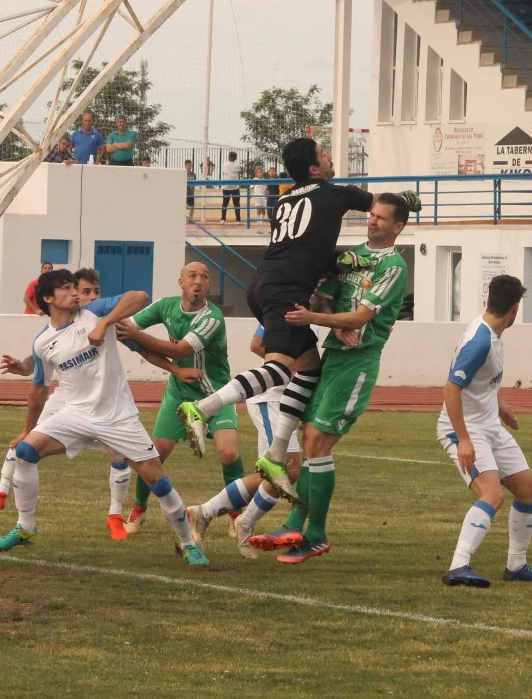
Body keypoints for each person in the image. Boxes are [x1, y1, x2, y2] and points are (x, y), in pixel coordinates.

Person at [176, 137, 419, 502]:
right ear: (314, 168)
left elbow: (310, 249)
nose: (330, 156)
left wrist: (341, 266)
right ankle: (202, 408)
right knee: (280, 368)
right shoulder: (337, 194)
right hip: (285, 289)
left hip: (264, 282)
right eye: (324, 153)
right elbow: (383, 206)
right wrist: (407, 201)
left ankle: (275, 457)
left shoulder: (284, 199)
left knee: (308, 369)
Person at [0, 269, 210, 566]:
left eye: (74, 286)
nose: (75, 293)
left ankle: (186, 543)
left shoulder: (94, 311)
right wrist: (27, 430)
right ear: (49, 299)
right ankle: (25, 528)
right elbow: (39, 389)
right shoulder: (42, 343)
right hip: (76, 415)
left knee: (157, 480)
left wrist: (105, 323)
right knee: (25, 452)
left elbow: (140, 296)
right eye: (66, 288)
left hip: (119, 417)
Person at [246, 193, 411, 564]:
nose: (373, 222)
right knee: (311, 441)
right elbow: (324, 299)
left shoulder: (394, 267)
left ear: (398, 227)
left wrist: (321, 322)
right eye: (371, 215)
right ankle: (296, 527)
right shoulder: (351, 257)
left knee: (317, 441)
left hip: (358, 363)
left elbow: (361, 318)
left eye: (382, 218)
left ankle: (314, 534)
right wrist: (331, 319)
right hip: (334, 357)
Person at [438, 275, 532, 588]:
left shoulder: (491, 331)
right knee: (492, 495)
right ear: (516, 309)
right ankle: (458, 565)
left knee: (528, 489)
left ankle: (516, 565)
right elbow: (451, 389)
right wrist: (462, 439)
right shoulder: (481, 341)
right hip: (464, 428)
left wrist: (501, 405)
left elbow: (481, 380)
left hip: (489, 425)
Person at [115, 262, 243, 536]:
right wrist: (104, 319)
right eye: (192, 276)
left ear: (209, 286)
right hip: (179, 392)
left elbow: (180, 348)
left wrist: (136, 336)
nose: (199, 281)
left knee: (228, 452)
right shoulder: (165, 306)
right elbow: (126, 329)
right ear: (181, 283)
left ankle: (237, 515)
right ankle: (138, 510)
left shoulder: (213, 317)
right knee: (153, 453)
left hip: (216, 394)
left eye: (205, 277)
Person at [186, 323, 305, 559]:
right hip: (273, 398)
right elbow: (256, 343)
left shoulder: (320, 303)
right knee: (286, 469)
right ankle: (245, 523)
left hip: (286, 398)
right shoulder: (291, 300)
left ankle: (203, 513)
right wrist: (294, 364)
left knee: (273, 474)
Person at [219, 151, 242, 223]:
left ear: (228, 156)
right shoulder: (237, 166)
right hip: (235, 187)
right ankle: (238, 220)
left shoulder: (224, 165)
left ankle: (223, 219)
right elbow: (238, 174)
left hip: (226, 187)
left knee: (225, 204)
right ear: (235, 158)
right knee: (237, 204)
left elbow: (223, 172)